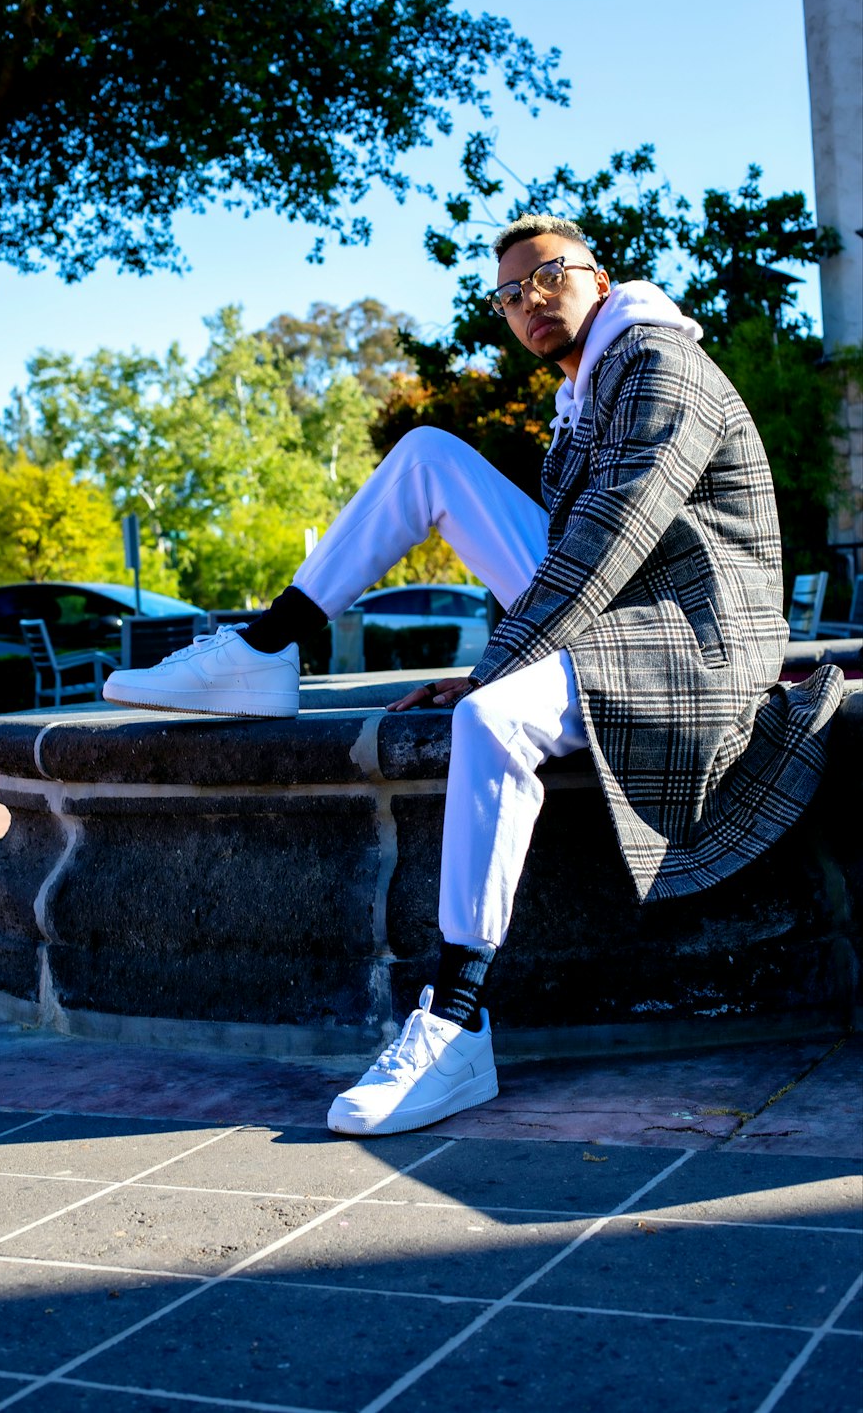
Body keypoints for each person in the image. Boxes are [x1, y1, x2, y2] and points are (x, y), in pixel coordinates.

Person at [103, 215, 844, 1137]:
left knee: (494, 719)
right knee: (426, 457)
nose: (530, 301)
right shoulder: (583, 396)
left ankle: (455, 1021)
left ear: (599, 278)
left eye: (549, 277)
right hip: (621, 616)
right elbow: (570, 562)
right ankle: (265, 650)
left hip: (690, 641)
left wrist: (497, 671)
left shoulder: (660, 365)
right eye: (510, 294)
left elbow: (606, 545)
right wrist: (504, 659)